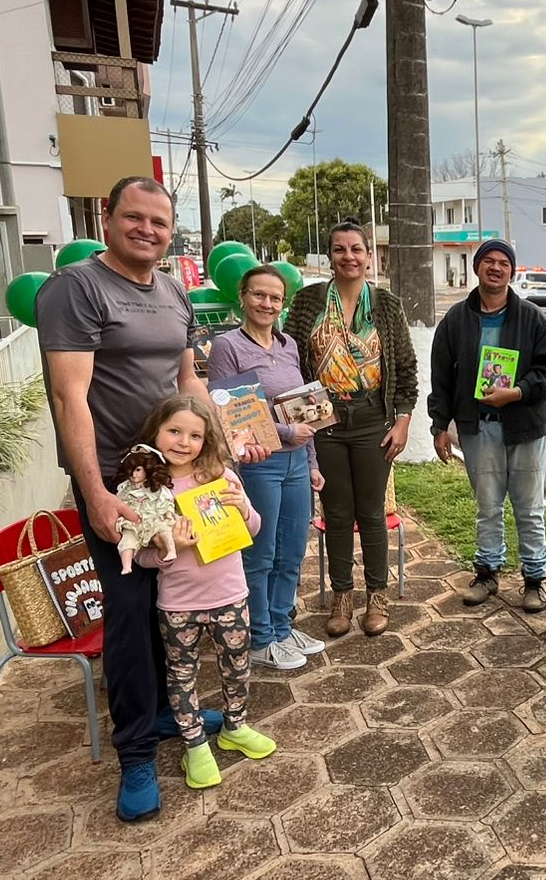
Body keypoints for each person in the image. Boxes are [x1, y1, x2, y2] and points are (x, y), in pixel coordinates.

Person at [36, 176, 226, 822]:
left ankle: (171, 711)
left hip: (175, 476)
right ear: (109, 219)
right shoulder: (77, 288)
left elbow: (187, 377)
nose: (148, 230)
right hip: (121, 486)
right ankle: (137, 751)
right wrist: (94, 494)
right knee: (128, 610)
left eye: (160, 222)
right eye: (135, 218)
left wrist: (218, 459)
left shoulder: (172, 292)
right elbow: (69, 398)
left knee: (172, 603)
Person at [132, 396, 277, 789]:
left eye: (195, 435)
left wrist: (243, 506)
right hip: (178, 602)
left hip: (230, 594)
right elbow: (137, 554)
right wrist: (165, 551)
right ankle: (194, 744)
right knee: (181, 674)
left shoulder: (220, 476)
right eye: (174, 431)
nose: (183, 442)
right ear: (154, 433)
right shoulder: (142, 489)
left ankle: (235, 726)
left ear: (206, 439)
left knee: (237, 665)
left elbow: (254, 529)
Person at [283, 220, 418, 638]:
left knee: (372, 512)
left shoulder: (386, 304)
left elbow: (405, 367)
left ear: (368, 255)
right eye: (339, 249)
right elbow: (290, 359)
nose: (349, 256)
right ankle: (342, 595)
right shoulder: (308, 302)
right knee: (336, 512)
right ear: (330, 256)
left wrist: (402, 421)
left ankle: (376, 595)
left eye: (356, 249)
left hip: (371, 420)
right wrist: (296, 421)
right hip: (322, 419)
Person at [428, 239, 546, 609]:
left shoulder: (533, 318)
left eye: (503, 262)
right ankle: (487, 573)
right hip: (477, 428)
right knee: (487, 506)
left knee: (529, 506)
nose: (496, 268)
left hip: (525, 427)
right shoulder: (456, 319)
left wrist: (516, 392)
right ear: (477, 267)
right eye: (489, 261)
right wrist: (440, 425)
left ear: (511, 272)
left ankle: (534, 578)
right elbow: (442, 378)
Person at [208, 265, 326, 669]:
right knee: (261, 554)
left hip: (296, 462)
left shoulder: (289, 344)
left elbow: (303, 406)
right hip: (259, 465)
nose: (267, 304)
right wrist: (284, 432)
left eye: (275, 298)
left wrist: (310, 462)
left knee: (293, 551)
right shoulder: (228, 347)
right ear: (242, 296)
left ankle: (281, 625)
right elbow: (229, 414)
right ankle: (260, 637)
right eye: (259, 295)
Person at [114, 446, 177, 574]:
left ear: (147, 469)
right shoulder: (125, 488)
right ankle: (126, 565)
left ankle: (171, 550)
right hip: (134, 521)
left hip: (154, 516)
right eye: (130, 471)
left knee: (164, 529)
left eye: (137, 470)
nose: (133, 475)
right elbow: (119, 502)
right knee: (127, 540)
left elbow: (165, 500)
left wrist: (169, 513)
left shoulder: (156, 487)